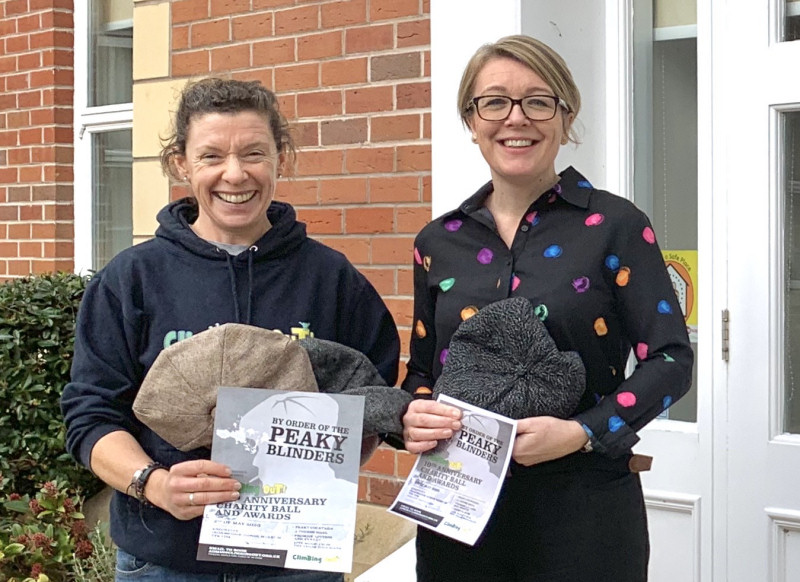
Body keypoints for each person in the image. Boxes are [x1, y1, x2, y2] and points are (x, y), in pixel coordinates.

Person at [61, 77, 400, 582]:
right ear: (180, 162)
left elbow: (372, 398)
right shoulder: (132, 279)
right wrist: (152, 483)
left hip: (294, 560)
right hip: (165, 559)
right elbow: (90, 414)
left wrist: (328, 465)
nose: (235, 175)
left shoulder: (331, 279)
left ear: (282, 157)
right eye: (211, 156)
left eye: (254, 153)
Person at [401, 35, 693, 582]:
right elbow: (422, 371)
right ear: (471, 119)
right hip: (456, 511)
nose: (517, 119)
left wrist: (582, 430)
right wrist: (412, 414)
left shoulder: (616, 226)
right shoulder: (437, 241)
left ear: (566, 116)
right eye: (495, 102)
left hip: (583, 511)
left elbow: (672, 361)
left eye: (538, 101)